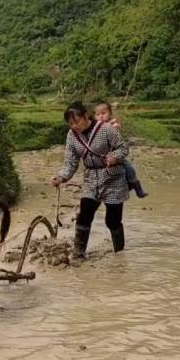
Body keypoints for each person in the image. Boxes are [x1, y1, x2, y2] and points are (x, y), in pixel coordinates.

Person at [51, 101, 129, 259]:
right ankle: (79, 253)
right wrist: (61, 177)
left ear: (86, 116)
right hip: (91, 178)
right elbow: (71, 163)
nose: (74, 126)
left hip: (113, 177)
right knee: (84, 214)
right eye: (71, 123)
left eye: (77, 121)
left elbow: (123, 148)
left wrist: (114, 157)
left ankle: (120, 254)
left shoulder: (105, 129)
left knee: (112, 221)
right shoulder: (72, 136)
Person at [95, 102, 148, 198]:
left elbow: (116, 131)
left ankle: (137, 188)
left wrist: (113, 127)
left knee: (129, 168)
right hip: (102, 156)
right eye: (98, 114)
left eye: (103, 113)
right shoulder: (95, 127)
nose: (101, 116)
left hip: (116, 154)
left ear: (110, 114)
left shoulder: (113, 124)